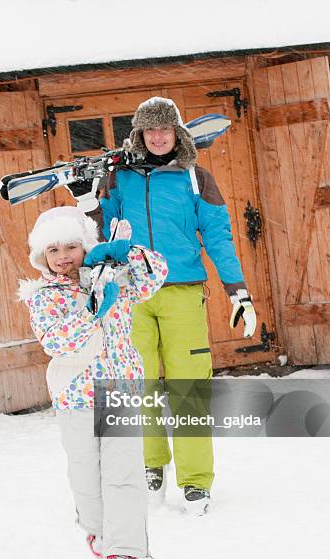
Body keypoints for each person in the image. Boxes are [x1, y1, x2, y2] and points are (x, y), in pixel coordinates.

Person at [99, 97, 256, 515]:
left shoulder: (195, 178)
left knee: (188, 388)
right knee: (141, 386)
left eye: (164, 129)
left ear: (177, 132)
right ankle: (151, 465)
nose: (157, 136)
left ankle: (195, 481)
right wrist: (88, 203)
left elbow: (218, 236)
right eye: (149, 130)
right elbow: (100, 229)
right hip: (131, 293)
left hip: (183, 292)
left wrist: (237, 290)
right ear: (139, 135)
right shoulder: (118, 178)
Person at [18, 205, 168, 559]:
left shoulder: (113, 276)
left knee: (123, 473)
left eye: (71, 247)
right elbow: (56, 342)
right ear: (42, 256)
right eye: (54, 250)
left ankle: (124, 550)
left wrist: (127, 253)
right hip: (75, 397)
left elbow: (154, 278)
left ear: (86, 246)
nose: (63, 257)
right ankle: (99, 530)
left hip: (120, 389)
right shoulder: (43, 296)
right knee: (85, 477)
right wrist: (92, 310)